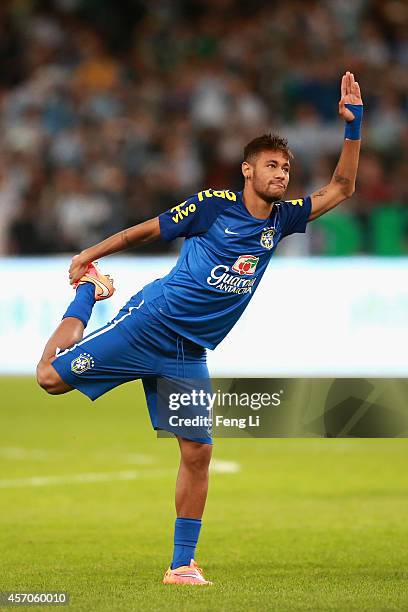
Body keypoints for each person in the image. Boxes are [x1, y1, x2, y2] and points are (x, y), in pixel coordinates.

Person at [36, 71, 363, 585]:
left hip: (189, 354)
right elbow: (146, 229)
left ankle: (181, 564)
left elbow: (342, 187)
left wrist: (353, 126)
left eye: (286, 167)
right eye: (272, 166)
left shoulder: (281, 220)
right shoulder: (213, 206)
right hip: (148, 325)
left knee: (198, 450)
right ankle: (87, 295)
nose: (282, 174)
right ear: (247, 171)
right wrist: (88, 258)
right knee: (49, 379)